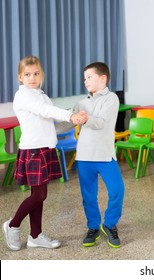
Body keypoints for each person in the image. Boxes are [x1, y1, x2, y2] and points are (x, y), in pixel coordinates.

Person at [2, 55, 85, 251]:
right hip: (33, 150)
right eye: (27, 74)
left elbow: (51, 124)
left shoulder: (41, 95)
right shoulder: (23, 95)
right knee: (39, 195)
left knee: (38, 194)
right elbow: (47, 111)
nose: (32, 77)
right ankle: (12, 225)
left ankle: (35, 235)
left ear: (42, 75)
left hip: (45, 148)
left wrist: (74, 120)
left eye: (36, 73)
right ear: (20, 77)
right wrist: (70, 115)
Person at [72, 62, 125, 248]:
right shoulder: (81, 103)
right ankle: (93, 227)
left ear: (103, 78)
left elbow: (101, 122)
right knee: (88, 196)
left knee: (117, 190)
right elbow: (68, 121)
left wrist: (86, 118)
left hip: (104, 155)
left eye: (89, 77)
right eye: (84, 77)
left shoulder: (111, 99)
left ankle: (109, 224)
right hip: (85, 156)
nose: (85, 81)